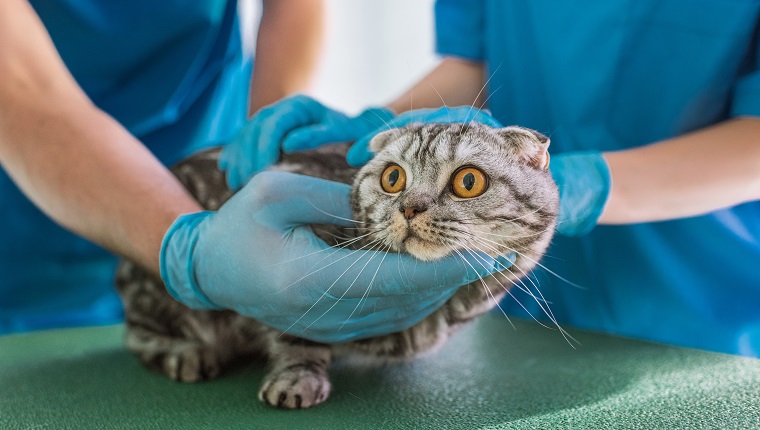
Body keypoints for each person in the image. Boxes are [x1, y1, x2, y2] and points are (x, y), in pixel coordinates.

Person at [227, 1, 760, 357]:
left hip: (700, 310)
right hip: (509, 295)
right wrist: (370, 134)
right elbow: (479, 66)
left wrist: (579, 183)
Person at [0, 0, 508, 340]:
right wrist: (190, 247)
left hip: (204, 147)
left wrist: (268, 155)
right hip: (20, 197)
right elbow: (27, 94)